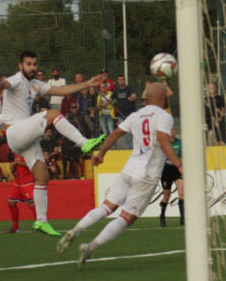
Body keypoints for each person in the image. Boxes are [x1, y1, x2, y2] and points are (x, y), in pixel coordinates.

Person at [56, 83, 182, 269]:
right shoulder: (164, 116)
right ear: (163, 99)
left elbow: (115, 134)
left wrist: (101, 154)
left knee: (106, 207)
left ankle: (76, 230)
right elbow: (164, 141)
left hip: (130, 168)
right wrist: (179, 164)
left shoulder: (135, 115)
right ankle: (90, 247)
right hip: (147, 174)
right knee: (126, 218)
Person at [0, 50, 106, 236]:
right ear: (21, 66)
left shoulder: (35, 84)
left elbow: (62, 90)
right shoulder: (17, 79)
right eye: (28, 64)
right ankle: (84, 143)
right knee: (52, 114)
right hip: (15, 132)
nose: (32, 67)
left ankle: (41, 222)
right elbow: (5, 83)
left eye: (34, 64)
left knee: (42, 175)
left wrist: (87, 84)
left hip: (25, 137)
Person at [4, 154, 36, 233]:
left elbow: (32, 165)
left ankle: (38, 226)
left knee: (31, 203)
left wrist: (17, 163)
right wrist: (12, 168)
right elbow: (16, 164)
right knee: (11, 202)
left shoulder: (28, 151)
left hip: (27, 181)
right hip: (18, 181)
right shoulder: (16, 153)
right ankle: (15, 227)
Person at [159, 126, 183, 227]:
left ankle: (183, 218)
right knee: (167, 196)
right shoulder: (164, 143)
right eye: (170, 130)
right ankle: (162, 215)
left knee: (182, 193)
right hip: (166, 170)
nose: (172, 131)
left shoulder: (180, 142)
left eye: (173, 129)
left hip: (176, 169)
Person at [114, 75, 138, 149]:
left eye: (122, 79)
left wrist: (132, 97)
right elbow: (111, 99)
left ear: (124, 80)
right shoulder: (117, 90)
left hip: (129, 115)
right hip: (120, 115)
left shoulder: (129, 88)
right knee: (124, 133)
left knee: (130, 133)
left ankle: (132, 148)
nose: (121, 81)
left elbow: (134, 95)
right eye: (119, 80)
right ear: (118, 81)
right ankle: (128, 149)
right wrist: (101, 105)